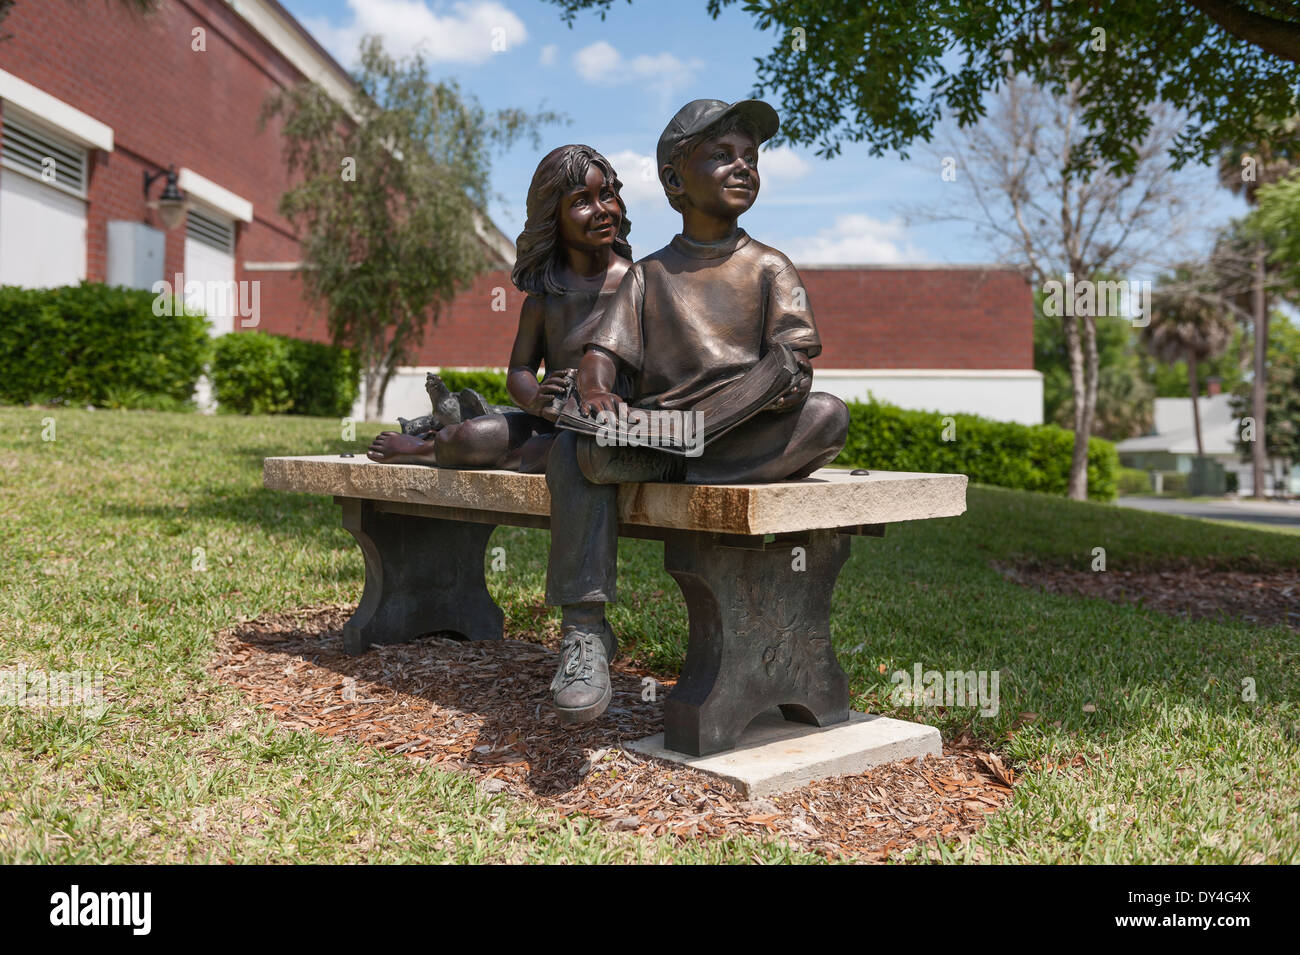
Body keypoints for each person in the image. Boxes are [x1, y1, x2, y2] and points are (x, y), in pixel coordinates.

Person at [545, 99, 850, 724]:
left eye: (751, 158)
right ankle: (583, 630)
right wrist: (600, 392)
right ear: (675, 183)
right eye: (722, 156)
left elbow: (794, 359)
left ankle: (685, 468)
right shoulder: (649, 275)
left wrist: (780, 385)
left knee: (827, 418)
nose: (743, 167)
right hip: (656, 434)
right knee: (577, 448)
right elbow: (600, 358)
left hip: (736, 433)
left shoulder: (770, 266)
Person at [367, 144, 633, 473]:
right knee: (472, 437)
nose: (601, 209)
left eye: (606, 195)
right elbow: (520, 369)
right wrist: (536, 399)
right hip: (551, 419)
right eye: (581, 201)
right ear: (553, 217)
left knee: (576, 451)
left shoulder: (639, 283)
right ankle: (424, 447)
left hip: (614, 423)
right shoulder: (545, 296)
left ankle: (521, 454)